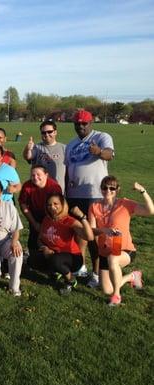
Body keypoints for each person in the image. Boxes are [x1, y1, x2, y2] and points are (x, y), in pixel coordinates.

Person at [65, 109, 115, 287]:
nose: (80, 126)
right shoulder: (70, 144)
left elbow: (110, 154)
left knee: (94, 236)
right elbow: (67, 170)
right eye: (77, 123)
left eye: (84, 123)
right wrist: (66, 193)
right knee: (79, 233)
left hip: (94, 195)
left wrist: (99, 151)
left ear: (90, 123)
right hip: (74, 196)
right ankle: (81, 267)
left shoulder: (101, 136)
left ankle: (96, 273)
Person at [88, 176, 153, 306]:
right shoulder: (94, 206)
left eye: (112, 188)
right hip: (104, 252)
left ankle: (116, 296)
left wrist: (142, 191)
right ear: (101, 189)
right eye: (105, 187)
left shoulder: (125, 204)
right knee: (107, 289)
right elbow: (91, 229)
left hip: (125, 250)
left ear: (117, 190)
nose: (108, 190)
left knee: (114, 259)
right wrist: (104, 231)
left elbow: (150, 211)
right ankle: (132, 276)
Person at [38, 194, 94, 295]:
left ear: (63, 205)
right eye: (49, 205)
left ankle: (70, 280)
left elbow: (90, 237)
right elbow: (40, 239)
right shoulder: (47, 219)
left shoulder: (69, 221)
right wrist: (44, 248)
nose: (52, 207)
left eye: (56, 204)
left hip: (73, 258)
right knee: (33, 260)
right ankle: (57, 272)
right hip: (53, 253)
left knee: (55, 260)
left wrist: (82, 217)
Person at [19, 165, 63, 269]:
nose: (35, 177)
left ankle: (54, 263)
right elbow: (23, 204)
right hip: (35, 213)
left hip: (51, 214)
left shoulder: (54, 187)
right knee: (34, 237)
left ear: (46, 175)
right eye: (33, 175)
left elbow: (57, 207)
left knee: (51, 238)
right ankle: (34, 261)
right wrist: (34, 223)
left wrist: (47, 223)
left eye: (39, 174)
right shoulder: (27, 185)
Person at [23, 120, 66, 190]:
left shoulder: (64, 148)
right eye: (43, 133)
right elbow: (27, 156)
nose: (46, 134)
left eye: (49, 132)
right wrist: (27, 149)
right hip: (39, 191)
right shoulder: (36, 147)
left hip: (58, 191)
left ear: (55, 132)